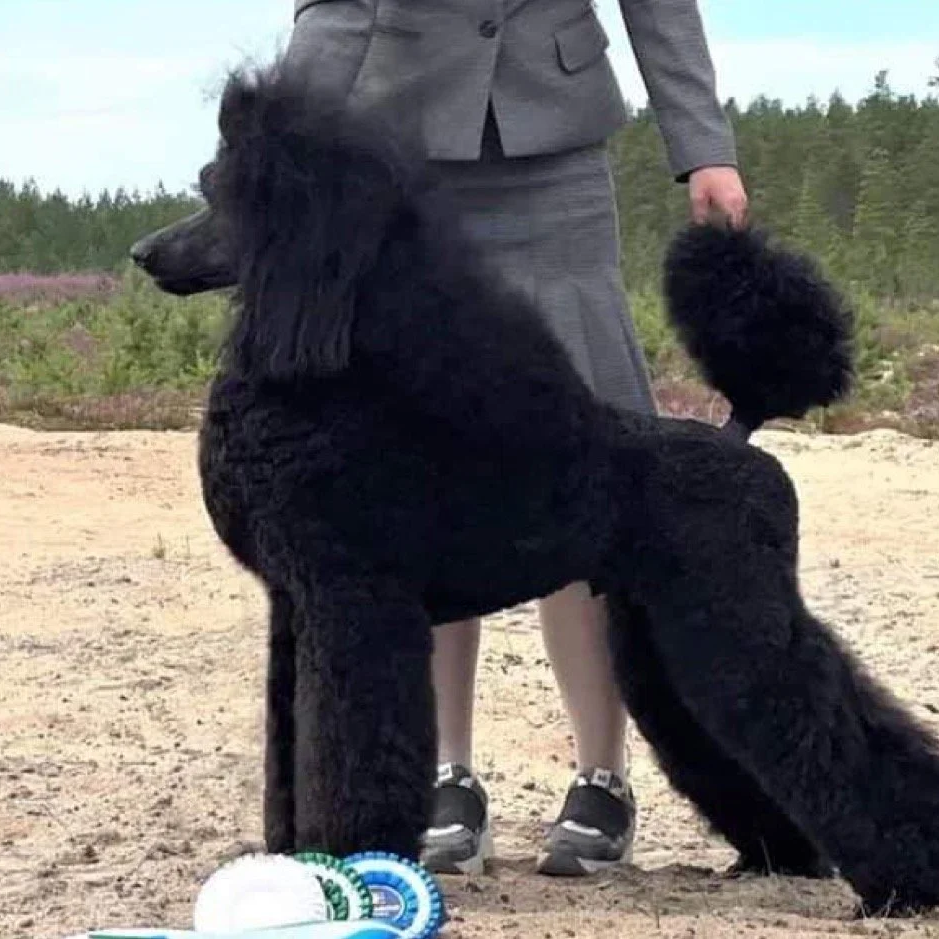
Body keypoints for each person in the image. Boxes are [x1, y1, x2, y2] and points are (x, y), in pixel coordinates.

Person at [278, 0, 748, 878]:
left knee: (586, 478)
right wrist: (281, 138)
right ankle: (444, 776)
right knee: (425, 489)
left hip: (560, 159)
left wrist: (704, 145)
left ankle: (602, 777)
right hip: (407, 164)